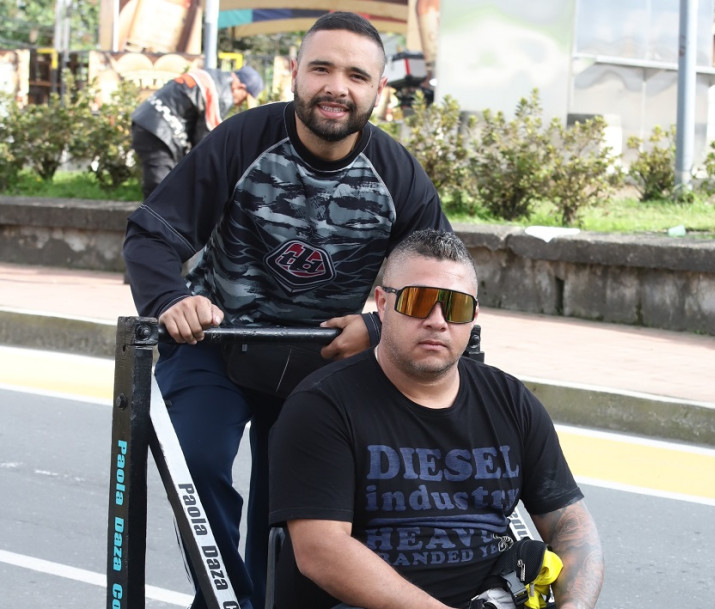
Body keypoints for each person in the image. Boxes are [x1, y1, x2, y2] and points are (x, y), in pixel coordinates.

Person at [122, 12, 450, 609]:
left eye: (356, 75)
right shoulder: (242, 140)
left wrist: (376, 329)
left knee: (299, 515)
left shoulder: (398, 175)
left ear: (378, 91)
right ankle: (227, 603)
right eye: (321, 68)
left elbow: (440, 280)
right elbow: (151, 234)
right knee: (197, 465)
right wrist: (174, 299)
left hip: (320, 364)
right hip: (216, 347)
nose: (337, 87)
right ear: (294, 73)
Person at [269, 229, 604, 609]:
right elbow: (321, 551)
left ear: (474, 316)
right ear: (382, 304)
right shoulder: (322, 406)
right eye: (418, 301)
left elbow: (570, 524)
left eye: (456, 306)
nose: (437, 320)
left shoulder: (511, 401)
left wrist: (574, 606)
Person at [131, 64, 264, 199]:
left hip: (147, 121)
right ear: (240, 87)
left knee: (164, 189)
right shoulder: (222, 94)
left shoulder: (212, 76)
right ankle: (151, 219)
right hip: (159, 132)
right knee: (161, 193)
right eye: (244, 98)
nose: (239, 104)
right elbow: (208, 142)